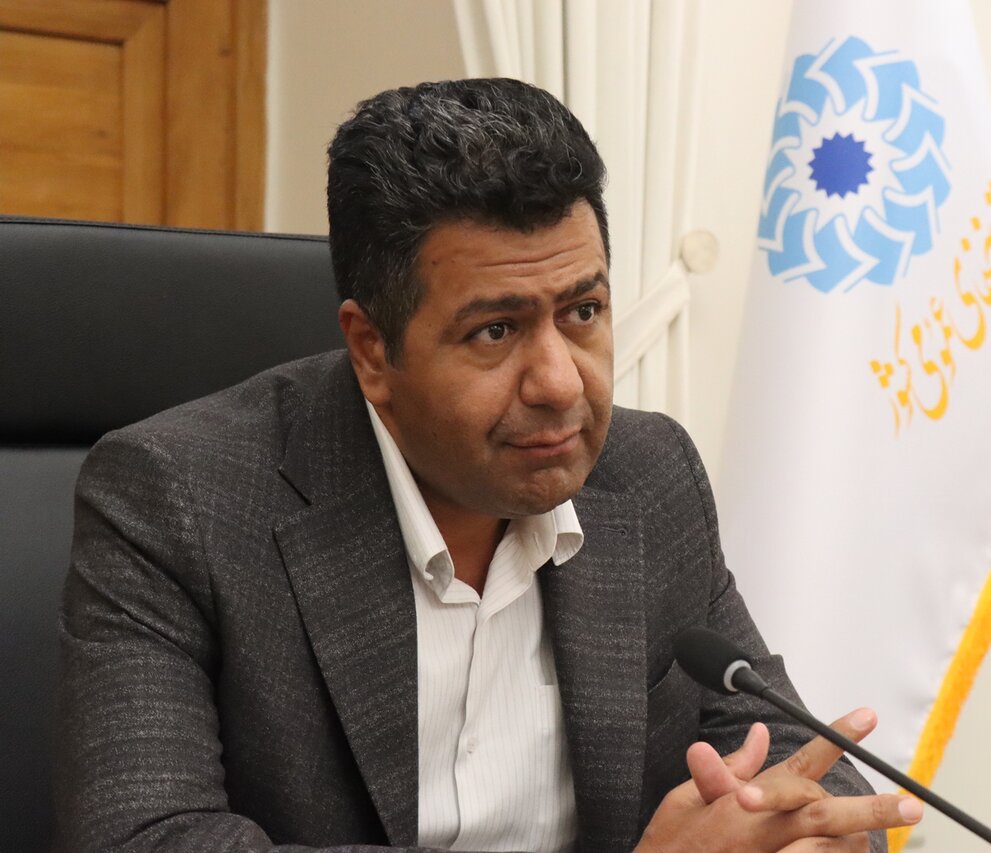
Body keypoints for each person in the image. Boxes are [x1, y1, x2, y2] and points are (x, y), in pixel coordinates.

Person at [54, 78, 921, 852]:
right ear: (372, 350)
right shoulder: (176, 499)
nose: (558, 383)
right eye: (496, 331)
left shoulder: (649, 475)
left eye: (583, 312)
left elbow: (792, 757)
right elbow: (145, 836)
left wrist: (814, 835)